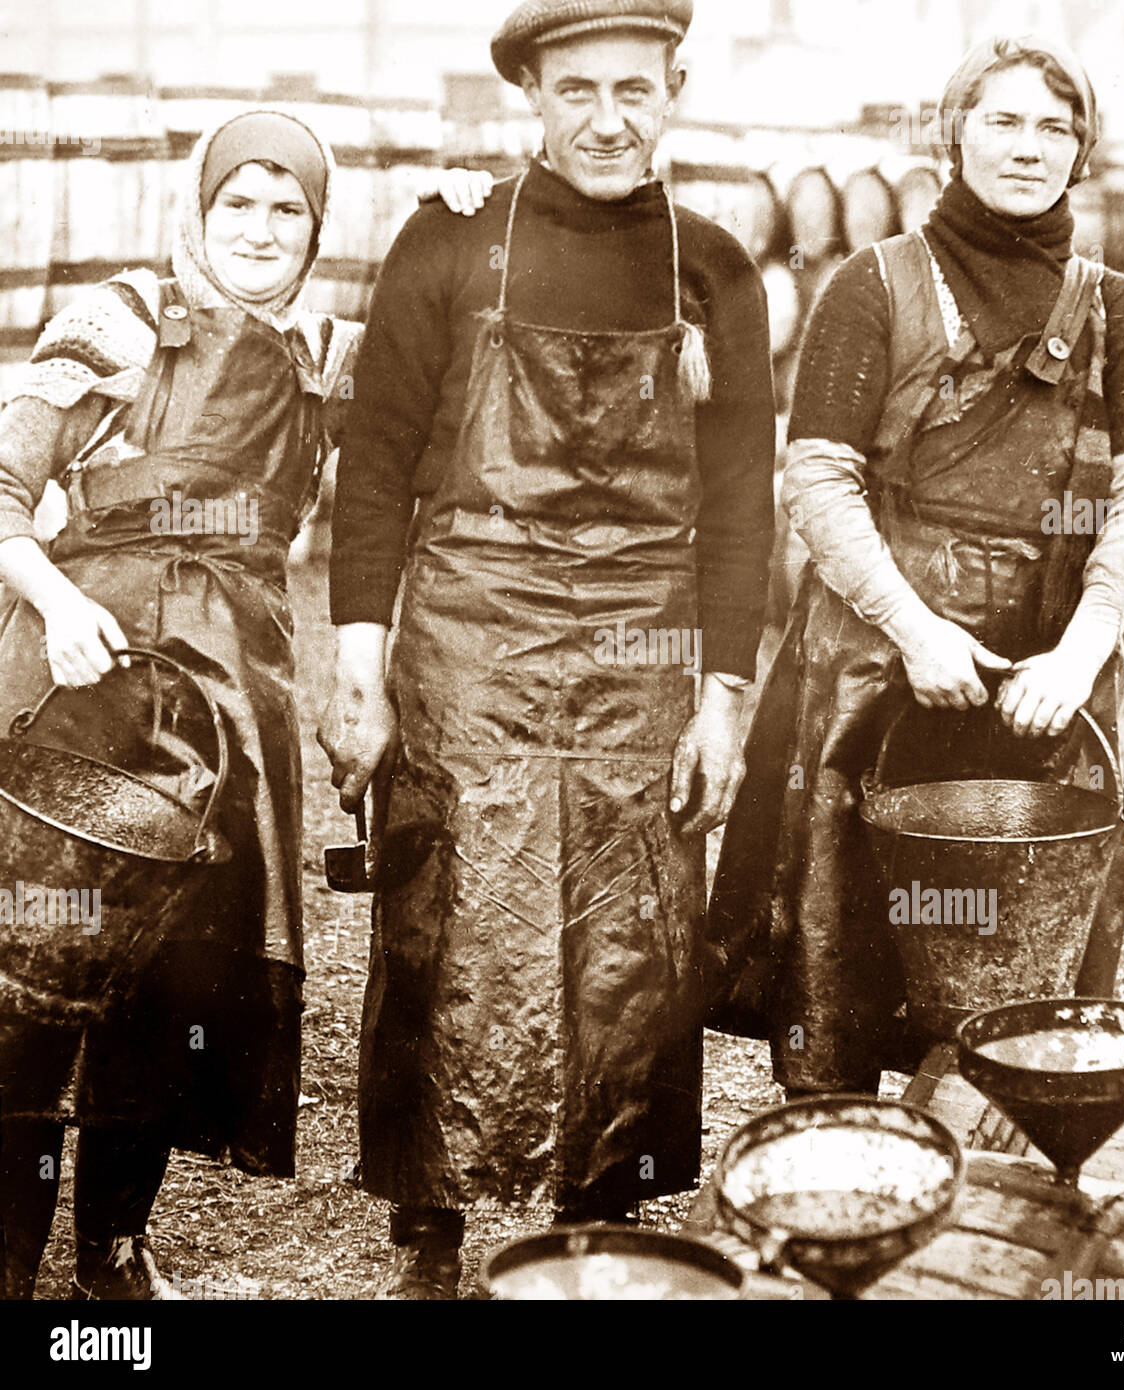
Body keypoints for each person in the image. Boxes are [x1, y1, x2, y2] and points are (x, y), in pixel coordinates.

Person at [319, 0, 775, 1298]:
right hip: (472, 640)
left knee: (632, 929)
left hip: (647, 645)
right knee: (449, 919)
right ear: (530, 93)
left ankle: (601, 1216)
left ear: (677, 88)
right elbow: (376, 467)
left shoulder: (720, 272)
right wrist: (361, 661)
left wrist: (725, 694)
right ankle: (432, 1223)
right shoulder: (449, 240)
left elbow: (744, 500)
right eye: (577, 89)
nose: (608, 118)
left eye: (636, 87)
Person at [705, 35, 1124, 1096]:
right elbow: (819, 481)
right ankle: (845, 1203)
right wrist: (914, 630)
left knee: (1024, 996)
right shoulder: (871, 287)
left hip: (1045, 682)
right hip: (876, 671)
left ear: (1082, 149)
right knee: (839, 971)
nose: (1028, 147)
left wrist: (1080, 653)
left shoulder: (1121, 315)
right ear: (952, 131)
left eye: (1054, 126)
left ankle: (982, 1231)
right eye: (1003, 120)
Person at [0, 109, 360, 1299]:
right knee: (36, 976)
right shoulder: (120, 317)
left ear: (317, 229)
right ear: (199, 211)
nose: (260, 230)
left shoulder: (330, 355)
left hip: (231, 706)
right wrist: (52, 600)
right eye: (237, 204)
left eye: (287, 209)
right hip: (82, 685)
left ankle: (112, 1242)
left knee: (176, 979)